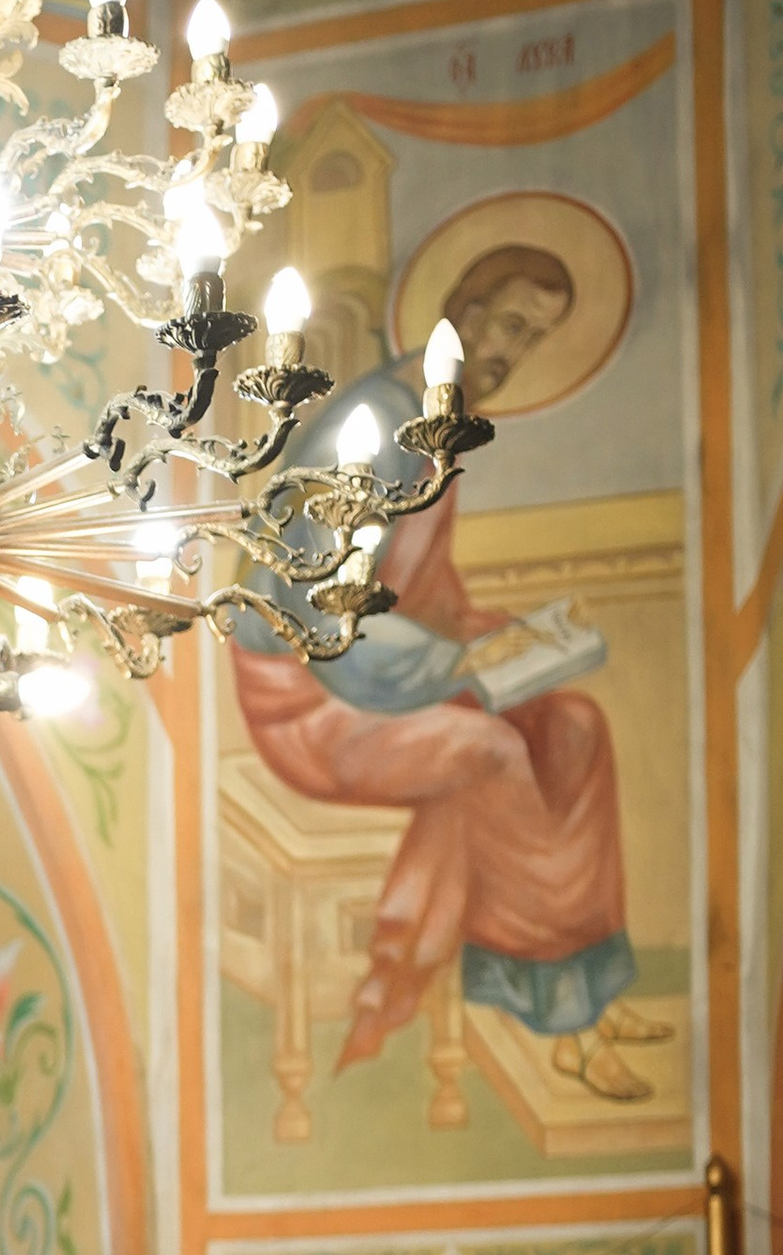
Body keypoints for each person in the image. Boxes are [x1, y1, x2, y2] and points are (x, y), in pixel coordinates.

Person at [231, 250, 669, 1109]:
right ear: (459, 310)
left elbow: (418, 599)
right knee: (491, 753)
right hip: (308, 698)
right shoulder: (376, 423)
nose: (513, 352)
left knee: (574, 724)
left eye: (533, 339)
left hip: (386, 676)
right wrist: (455, 663)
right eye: (507, 324)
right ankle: (564, 1025)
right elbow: (316, 612)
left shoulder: (434, 427)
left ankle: (591, 989)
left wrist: (510, 640)